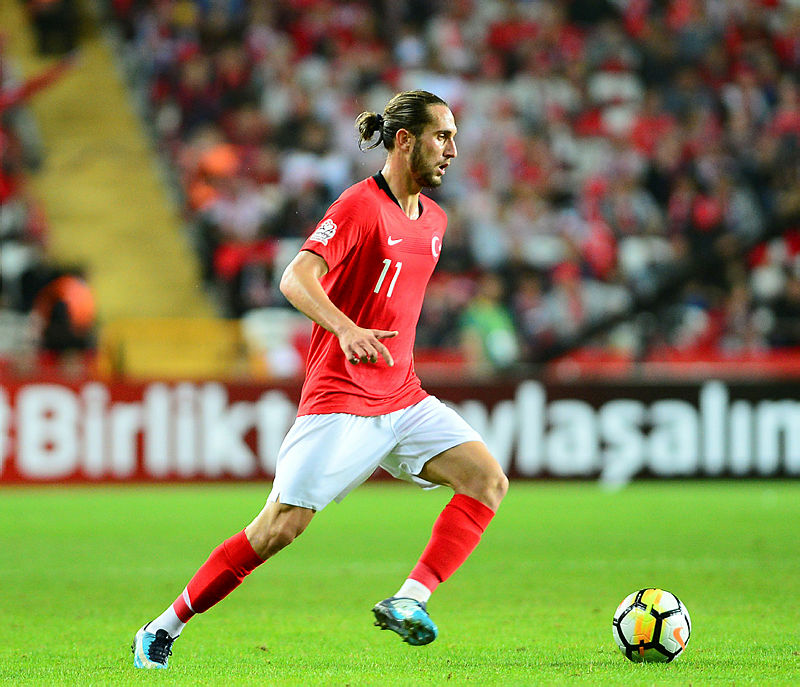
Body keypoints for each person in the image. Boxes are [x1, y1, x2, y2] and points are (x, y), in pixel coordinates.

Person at [131, 90, 508, 669]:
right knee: (278, 529)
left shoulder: (435, 220)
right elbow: (295, 277)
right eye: (442, 136)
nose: (452, 150)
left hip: (403, 398)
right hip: (342, 401)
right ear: (404, 140)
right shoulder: (360, 206)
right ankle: (162, 627)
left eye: (454, 137)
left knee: (486, 480)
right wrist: (345, 327)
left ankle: (410, 599)